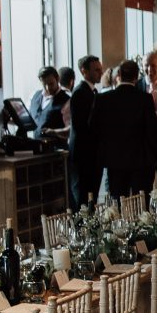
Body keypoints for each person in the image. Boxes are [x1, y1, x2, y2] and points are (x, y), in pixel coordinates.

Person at [93, 59, 157, 198]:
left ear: (119, 75)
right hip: (140, 160)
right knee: (141, 203)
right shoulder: (145, 99)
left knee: (117, 201)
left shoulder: (103, 99)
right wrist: (153, 157)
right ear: (137, 77)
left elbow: (95, 129)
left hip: (114, 160)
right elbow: (152, 132)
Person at [67, 55, 102, 205]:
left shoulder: (92, 91)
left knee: (91, 197)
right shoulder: (80, 92)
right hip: (84, 155)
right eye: (96, 70)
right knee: (83, 196)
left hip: (91, 154)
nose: (101, 72)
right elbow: (82, 126)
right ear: (84, 71)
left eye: (100, 69)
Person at [26, 66, 68, 143]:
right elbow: (28, 119)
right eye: (44, 84)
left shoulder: (67, 100)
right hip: (36, 146)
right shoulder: (35, 96)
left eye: (51, 84)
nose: (48, 88)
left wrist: (54, 132)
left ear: (58, 79)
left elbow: (72, 128)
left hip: (57, 148)